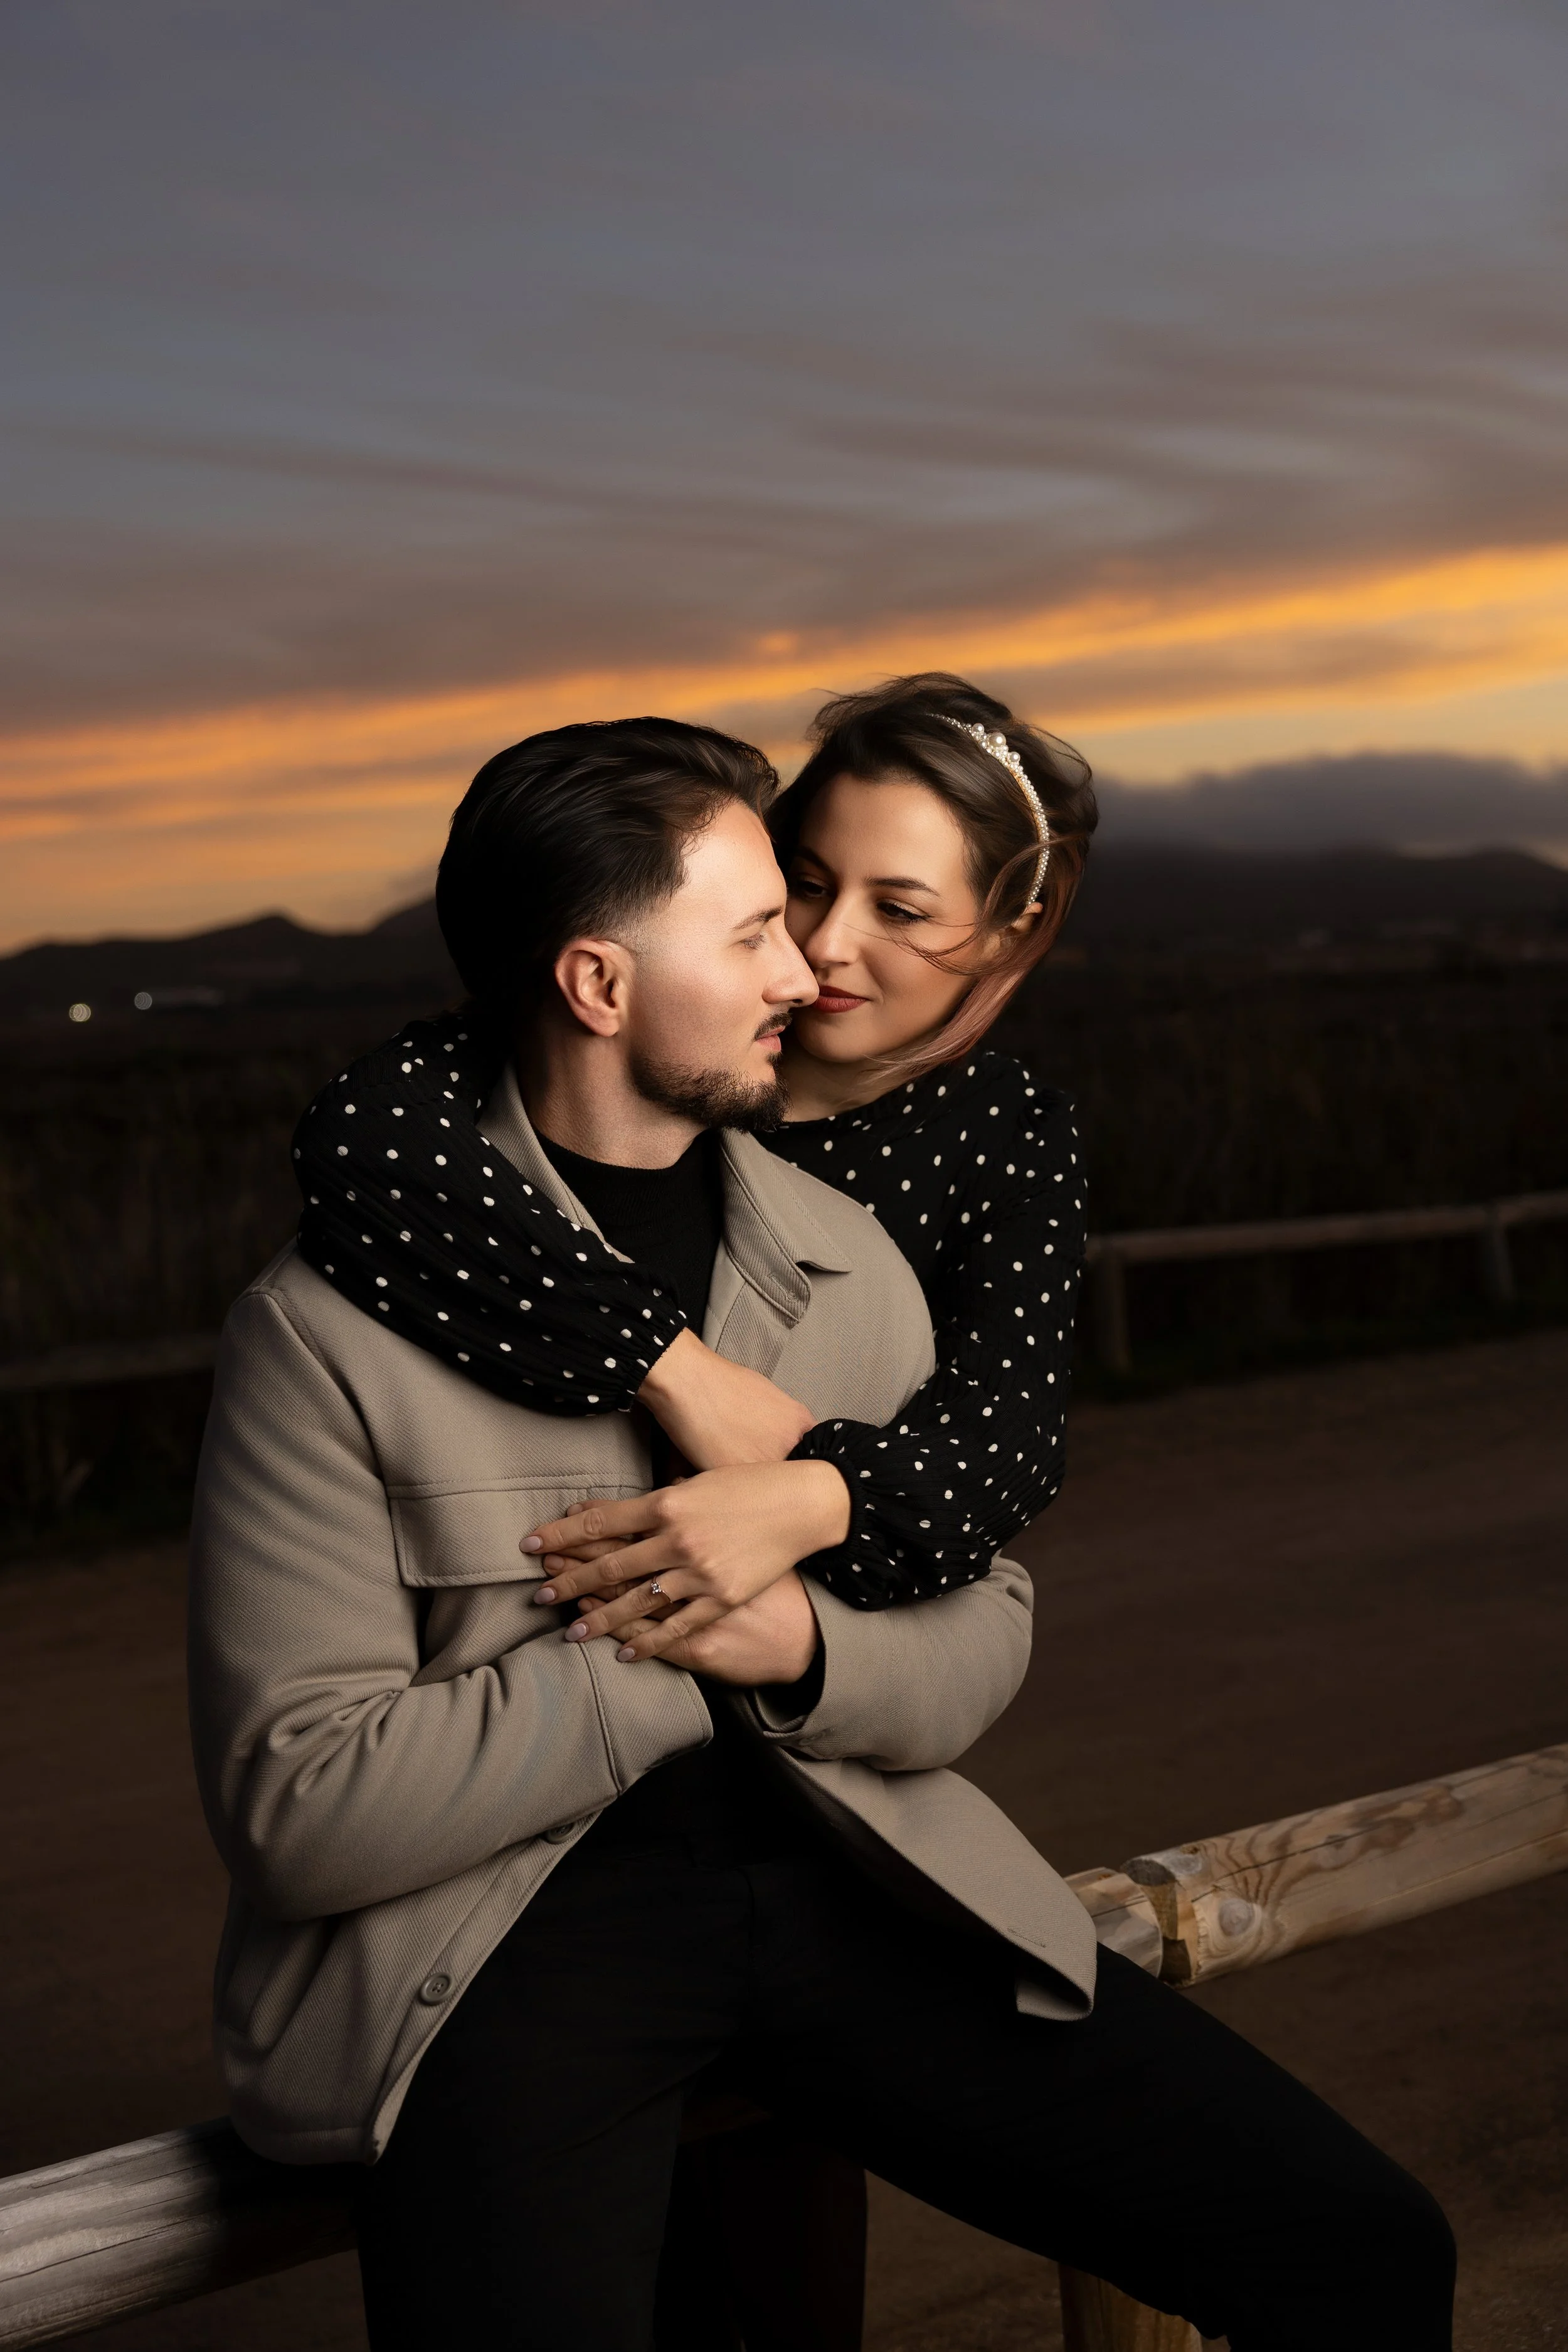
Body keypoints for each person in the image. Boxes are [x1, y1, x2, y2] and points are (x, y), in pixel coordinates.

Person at [192, 716, 1455, 2351]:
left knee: (1358, 2245)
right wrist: (664, 1650)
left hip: (849, 1879)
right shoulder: (320, 1326)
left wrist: (796, 1641)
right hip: (506, 1949)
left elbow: (983, 1623)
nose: (808, 970)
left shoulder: (850, 1254)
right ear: (596, 983)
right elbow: (299, 1805)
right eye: (758, 926)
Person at [292, 674, 1098, 1655]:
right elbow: (359, 1140)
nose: (825, 945)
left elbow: (1004, 1446)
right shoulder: (650, 1047)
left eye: (900, 909)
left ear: (1013, 927)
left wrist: (806, 1500)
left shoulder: (1006, 1135)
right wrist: (669, 1365)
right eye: (805, 884)